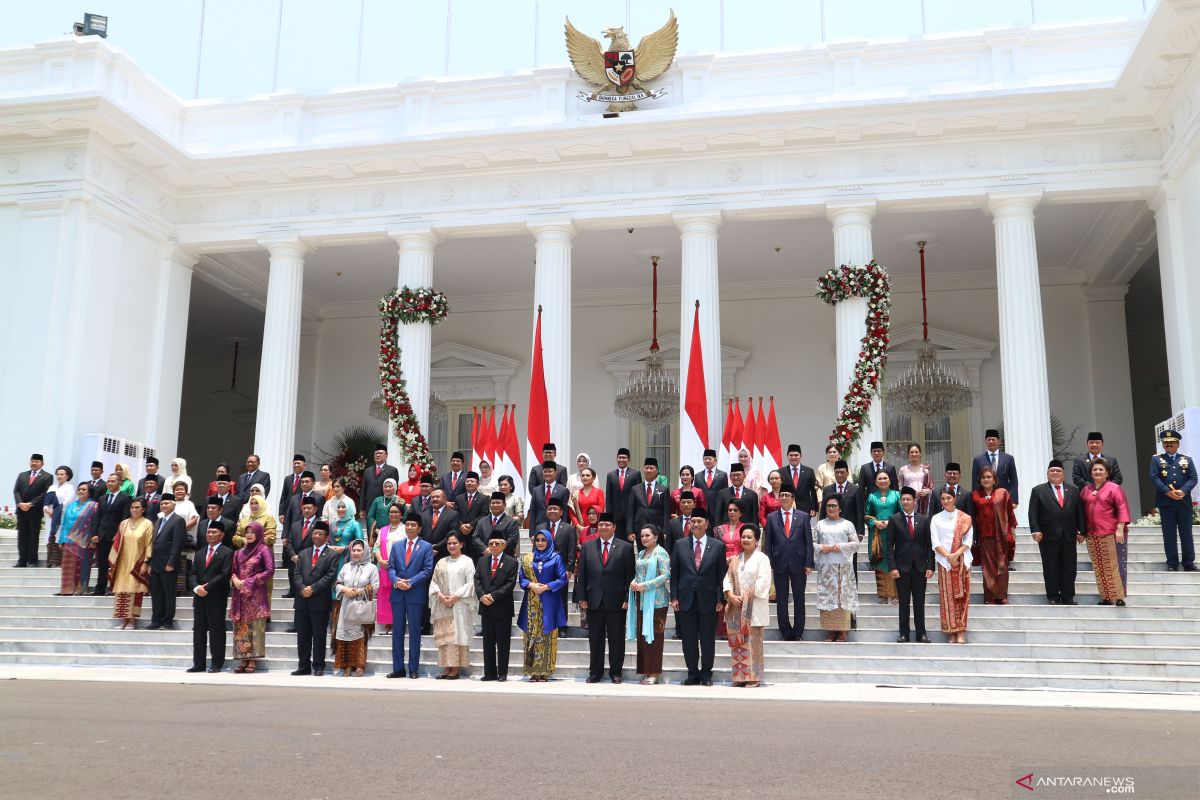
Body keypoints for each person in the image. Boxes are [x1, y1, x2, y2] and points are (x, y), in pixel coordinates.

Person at [575, 512, 635, 683]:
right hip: (593, 600)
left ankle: (616, 672)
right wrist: (582, 597)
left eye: (607, 524)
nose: (603, 527)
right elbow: (583, 574)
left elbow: (630, 576)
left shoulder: (625, 547)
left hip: (617, 602)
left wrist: (626, 598)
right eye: (601, 524)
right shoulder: (587, 546)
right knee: (595, 640)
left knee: (617, 639)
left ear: (614, 527)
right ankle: (595, 672)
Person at [671, 515, 727, 686]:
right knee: (688, 639)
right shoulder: (680, 544)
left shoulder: (717, 546)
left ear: (707, 524)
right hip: (685, 599)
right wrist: (674, 597)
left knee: (708, 639)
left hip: (709, 599)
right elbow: (675, 574)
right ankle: (692, 673)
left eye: (699, 521)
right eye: (693, 521)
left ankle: (706, 675)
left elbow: (721, 575)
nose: (695, 524)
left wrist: (720, 599)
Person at [1027, 460, 1084, 604]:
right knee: (1050, 567)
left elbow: (1079, 512)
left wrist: (1082, 531)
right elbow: (1033, 512)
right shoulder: (1038, 490)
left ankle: (1068, 596)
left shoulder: (1073, 490)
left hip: (1069, 535)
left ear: (1063, 474)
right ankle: (1053, 596)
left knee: (1069, 567)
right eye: (1052, 471)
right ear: (1047, 474)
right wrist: (1035, 530)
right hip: (1048, 535)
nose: (1055, 473)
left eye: (1058, 471)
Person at [386, 512, 434, 679]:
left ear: (419, 528)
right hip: (398, 594)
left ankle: (413, 668)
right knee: (397, 632)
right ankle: (398, 668)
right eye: (407, 525)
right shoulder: (397, 545)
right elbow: (391, 568)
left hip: (415, 595)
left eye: (413, 525)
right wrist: (396, 582)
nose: (410, 528)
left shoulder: (426, 546)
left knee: (415, 632)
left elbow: (427, 570)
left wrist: (410, 582)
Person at [723, 525, 772, 686]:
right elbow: (727, 580)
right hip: (737, 608)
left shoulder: (762, 559)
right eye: (743, 536)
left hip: (754, 608)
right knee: (739, 643)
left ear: (756, 540)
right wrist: (730, 594)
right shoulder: (736, 559)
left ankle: (754, 677)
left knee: (754, 643)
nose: (745, 539)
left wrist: (746, 596)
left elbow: (764, 581)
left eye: (749, 537)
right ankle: (740, 677)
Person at [519, 529, 568, 681]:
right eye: (538, 540)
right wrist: (532, 585)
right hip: (531, 602)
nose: (540, 543)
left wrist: (546, 587)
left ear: (549, 541)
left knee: (547, 635)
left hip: (549, 601)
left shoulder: (556, 558)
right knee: (531, 635)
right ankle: (533, 671)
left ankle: (545, 670)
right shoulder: (528, 559)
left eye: (543, 540)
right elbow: (521, 579)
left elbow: (562, 579)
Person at [1081, 458, 1131, 606]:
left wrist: (1120, 529)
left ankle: (1119, 597)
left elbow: (1122, 508)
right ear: (1091, 473)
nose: (1097, 472)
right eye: (1095, 470)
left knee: (1115, 565)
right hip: (1092, 534)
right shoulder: (1086, 490)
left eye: (1101, 470)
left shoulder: (1114, 488)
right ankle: (1105, 597)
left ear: (1107, 473)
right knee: (1099, 567)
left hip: (1112, 533)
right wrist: (1081, 532)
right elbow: (1081, 512)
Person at [290, 521, 339, 675]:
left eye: (320, 534)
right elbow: (296, 574)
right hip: (302, 600)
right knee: (302, 636)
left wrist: (313, 588)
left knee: (319, 635)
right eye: (315, 533)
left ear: (326, 537)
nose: (316, 536)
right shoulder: (304, 553)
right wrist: (302, 588)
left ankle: (318, 666)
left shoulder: (332, 555)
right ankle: (303, 665)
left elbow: (330, 576)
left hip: (319, 601)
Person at [766, 488, 814, 641]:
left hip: (799, 563)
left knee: (799, 599)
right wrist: (769, 564)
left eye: (787, 495)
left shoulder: (803, 516)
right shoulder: (772, 517)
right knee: (781, 599)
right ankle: (785, 631)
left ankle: (798, 631)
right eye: (782, 495)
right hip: (779, 562)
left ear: (793, 498)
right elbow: (768, 543)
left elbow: (808, 542)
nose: (784, 497)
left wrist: (809, 562)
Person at [887, 487, 934, 643]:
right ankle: (904, 633)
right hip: (902, 568)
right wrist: (892, 567)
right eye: (903, 499)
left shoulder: (924, 519)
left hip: (920, 568)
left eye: (908, 499)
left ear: (915, 501)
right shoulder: (894, 519)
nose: (905, 502)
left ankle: (921, 633)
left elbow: (930, 545)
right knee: (903, 603)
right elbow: (889, 546)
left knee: (919, 602)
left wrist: (930, 566)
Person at [429, 533, 477, 679]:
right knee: (444, 637)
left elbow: (471, 583)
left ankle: (455, 668)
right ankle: (446, 667)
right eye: (449, 543)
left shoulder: (467, 561)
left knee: (456, 636)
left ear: (461, 544)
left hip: (460, 605)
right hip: (443, 605)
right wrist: (441, 596)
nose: (451, 546)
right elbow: (433, 581)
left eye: (454, 543)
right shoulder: (441, 562)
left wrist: (455, 597)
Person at [627, 524, 671, 685]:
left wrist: (645, 585)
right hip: (642, 600)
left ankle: (654, 673)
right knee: (643, 637)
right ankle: (646, 670)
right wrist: (634, 583)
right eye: (642, 536)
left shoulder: (661, 553)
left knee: (655, 637)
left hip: (657, 602)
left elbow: (666, 575)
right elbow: (639, 575)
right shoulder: (641, 553)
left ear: (656, 537)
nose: (644, 538)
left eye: (647, 535)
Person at [1149, 429, 1197, 571]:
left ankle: (1188, 563)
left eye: (1172, 442)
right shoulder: (1157, 459)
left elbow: (1193, 478)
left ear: (1178, 443)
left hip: (1184, 502)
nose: (1169, 444)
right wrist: (1167, 492)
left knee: (1186, 533)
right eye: (1166, 443)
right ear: (1163, 445)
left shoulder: (1186, 459)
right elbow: (1154, 477)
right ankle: (1172, 563)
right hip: (1166, 503)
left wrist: (1183, 491)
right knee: (1169, 534)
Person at [188, 519, 233, 673]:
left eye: (214, 532)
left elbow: (225, 574)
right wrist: (196, 587)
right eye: (208, 532)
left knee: (217, 630)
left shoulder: (227, 552)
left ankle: (216, 663)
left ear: (221, 535)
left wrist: (207, 587)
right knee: (198, 631)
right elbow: (193, 573)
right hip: (199, 597)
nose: (210, 534)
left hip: (216, 597)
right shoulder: (200, 553)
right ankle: (198, 663)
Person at [930, 488, 974, 643]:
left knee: (963, 597)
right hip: (944, 562)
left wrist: (956, 555)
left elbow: (968, 541)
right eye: (942, 498)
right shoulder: (936, 519)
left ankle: (961, 631)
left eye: (948, 497)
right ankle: (951, 631)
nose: (945, 501)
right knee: (947, 598)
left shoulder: (965, 517)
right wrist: (949, 556)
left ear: (954, 499)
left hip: (962, 561)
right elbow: (935, 542)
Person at [228, 519, 272, 672]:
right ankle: (242, 658)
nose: (249, 534)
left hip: (255, 596)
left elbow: (269, 570)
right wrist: (234, 579)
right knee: (241, 627)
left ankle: (252, 660)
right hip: (239, 595)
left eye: (253, 532)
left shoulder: (264, 550)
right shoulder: (239, 552)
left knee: (255, 627)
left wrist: (250, 581)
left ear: (259, 533)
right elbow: (233, 570)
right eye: (247, 532)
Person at [813, 494, 858, 642]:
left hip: (843, 568)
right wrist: (820, 547)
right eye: (828, 506)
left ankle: (843, 631)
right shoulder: (820, 524)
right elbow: (812, 543)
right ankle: (830, 630)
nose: (831, 508)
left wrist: (841, 546)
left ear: (840, 508)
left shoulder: (847, 524)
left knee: (842, 598)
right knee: (828, 598)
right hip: (826, 568)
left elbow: (856, 544)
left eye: (834, 506)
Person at [476, 528, 519, 681]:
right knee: (487, 642)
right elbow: (477, 581)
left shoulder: (511, 562)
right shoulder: (482, 561)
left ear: (503, 545)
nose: (494, 546)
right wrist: (482, 596)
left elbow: (510, 584)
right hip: (486, 607)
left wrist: (493, 596)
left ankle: (502, 673)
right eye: (491, 543)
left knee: (503, 642)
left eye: (497, 543)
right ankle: (489, 672)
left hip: (502, 608)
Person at [971, 467, 1017, 604]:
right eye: (983, 477)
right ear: (980, 480)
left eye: (989, 477)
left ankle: (1002, 596)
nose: (986, 479)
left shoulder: (1003, 493)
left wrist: (1012, 531)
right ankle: (990, 597)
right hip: (985, 535)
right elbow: (975, 512)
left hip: (1002, 534)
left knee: (1002, 565)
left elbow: (1010, 512)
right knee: (988, 567)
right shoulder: (975, 495)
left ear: (995, 479)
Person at [334, 538, 380, 677]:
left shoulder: (371, 568)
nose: (355, 553)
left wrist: (359, 591)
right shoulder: (346, 566)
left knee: (360, 636)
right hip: (346, 605)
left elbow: (375, 586)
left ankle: (359, 665)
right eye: (353, 550)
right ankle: (347, 665)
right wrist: (344, 590)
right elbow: (338, 582)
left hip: (362, 606)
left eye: (359, 550)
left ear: (365, 551)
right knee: (345, 636)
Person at [108, 498, 153, 628]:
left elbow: (149, 545)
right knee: (122, 590)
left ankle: (132, 621)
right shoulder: (124, 524)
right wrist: (113, 561)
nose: (134, 509)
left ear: (143, 509)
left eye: (137, 507)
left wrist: (146, 562)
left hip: (137, 563)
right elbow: (116, 543)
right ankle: (124, 621)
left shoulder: (147, 524)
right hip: (122, 562)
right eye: (132, 507)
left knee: (134, 590)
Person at [146, 495, 186, 630]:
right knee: (156, 593)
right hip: (156, 563)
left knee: (168, 593)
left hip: (168, 564)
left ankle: (168, 620)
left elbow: (177, 543)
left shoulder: (178, 520)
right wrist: (150, 563)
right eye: (162, 503)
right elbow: (154, 543)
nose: (164, 506)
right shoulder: (158, 521)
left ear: (173, 505)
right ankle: (156, 619)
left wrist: (171, 562)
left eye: (167, 503)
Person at [864, 469, 900, 604]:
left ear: (890, 480)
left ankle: (895, 595)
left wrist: (892, 522)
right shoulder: (872, 496)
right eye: (880, 479)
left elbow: (902, 513)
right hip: (877, 535)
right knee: (880, 563)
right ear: (875, 482)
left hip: (894, 534)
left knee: (893, 562)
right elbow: (866, 515)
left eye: (885, 478)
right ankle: (883, 595)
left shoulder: (896, 495)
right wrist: (875, 522)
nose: (883, 481)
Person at [92, 474, 131, 595]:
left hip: (116, 536)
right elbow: (97, 517)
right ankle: (100, 588)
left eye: (113, 481)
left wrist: (119, 534)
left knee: (115, 563)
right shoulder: (102, 498)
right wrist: (95, 533)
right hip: (102, 535)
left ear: (119, 483)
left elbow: (125, 517)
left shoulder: (125, 498)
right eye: (108, 481)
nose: (109, 483)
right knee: (102, 563)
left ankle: (114, 587)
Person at [56, 482, 97, 596]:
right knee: (67, 567)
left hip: (84, 542)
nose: (80, 491)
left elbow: (94, 524)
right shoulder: (71, 506)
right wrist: (61, 540)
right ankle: (66, 590)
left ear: (89, 492)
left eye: (84, 489)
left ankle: (80, 589)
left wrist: (93, 540)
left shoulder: (93, 506)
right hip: (68, 541)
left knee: (82, 566)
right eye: (79, 489)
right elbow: (64, 523)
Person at [12, 453, 52, 568]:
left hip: (35, 511)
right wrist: (20, 503)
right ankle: (22, 560)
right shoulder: (22, 475)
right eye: (32, 461)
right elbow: (16, 491)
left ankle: (32, 560)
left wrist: (30, 504)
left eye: (37, 461)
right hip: (21, 510)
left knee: (33, 536)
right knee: (22, 536)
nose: (34, 463)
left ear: (42, 463)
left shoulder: (47, 476)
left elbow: (45, 493)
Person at [374, 502, 404, 633]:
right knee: (385, 596)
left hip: (399, 568)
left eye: (396, 512)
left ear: (401, 515)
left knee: (396, 596)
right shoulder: (383, 530)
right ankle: (387, 624)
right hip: (384, 566)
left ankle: (396, 624)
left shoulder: (405, 529)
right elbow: (376, 547)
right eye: (391, 512)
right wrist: (380, 560)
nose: (393, 514)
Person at [971, 429, 1019, 503]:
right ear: (985, 442)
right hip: (984, 498)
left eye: (993, 439)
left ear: (999, 441)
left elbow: (1013, 481)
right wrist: (975, 500)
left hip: (1004, 498)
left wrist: (1014, 500)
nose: (991, 442)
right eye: (989, 440)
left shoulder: (1008, 458)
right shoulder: (978, 460)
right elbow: (975, 482)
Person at [43, 466, 75, 569]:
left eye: (62, 474)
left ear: (67, 476)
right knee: (50, 536)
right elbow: (47, 501)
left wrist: (56, 511)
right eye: (58, 474)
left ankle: (57, 561)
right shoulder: (52, 487)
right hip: (50, 516)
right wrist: (46, 509)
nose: (59, 476)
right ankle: (50, 561)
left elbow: (68, 502)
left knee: (58, 537)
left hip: (61, 517)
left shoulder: (69, 487)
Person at [473, 492, 520, 557]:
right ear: (489, 505)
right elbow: (475, 537)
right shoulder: (482, 521)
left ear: (504, 504)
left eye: (498, 503)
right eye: (493, 503)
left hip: (505, 558)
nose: (495, 505)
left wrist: (496, 550)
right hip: (485, 557)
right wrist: (485, 549)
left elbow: (512, 540)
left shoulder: (511, 522)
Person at [361, 444, 400, 523]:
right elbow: (363, 490)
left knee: (384, 532)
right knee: (371, 532)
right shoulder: (367, 471)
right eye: (376, 453)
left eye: (381, 453)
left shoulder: (392, 470)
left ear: (386, 455)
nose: (378, 455)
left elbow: (395, 491)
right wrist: (362, 508)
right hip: (370, 507)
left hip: (385, 507)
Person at [528, 461, 570, 533]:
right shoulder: (536, 490)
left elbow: (565, 512)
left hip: (558, 529)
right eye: (545, 471)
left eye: (550, 471)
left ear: (556, 472)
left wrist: (565, 530)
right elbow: (533, 511)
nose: (547, 474)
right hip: (540, 528)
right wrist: (532, 533)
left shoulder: (563, 490)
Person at [452, 472, 488, 558]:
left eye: (472, 481)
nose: (469, 483)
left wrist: (471, 525)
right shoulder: (458, 498)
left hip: (476, 534)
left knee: (475, 560)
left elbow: (484, 514)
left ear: (478, 484)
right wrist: (461, 525)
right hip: (461, 535)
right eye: (467, 481)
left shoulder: (484, 498)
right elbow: (454, 514)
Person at [605, 448, 638, 539]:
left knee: (629, 541)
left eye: (624, 458)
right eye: (619, 457)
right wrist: (609, 516)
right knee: (616, 540)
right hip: (616, 514)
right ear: (616, 459)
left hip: (630, 514)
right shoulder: (610, 475)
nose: (621, 460)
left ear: (629, 460)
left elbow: (638, 494)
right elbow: (608, 497)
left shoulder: (635, 474)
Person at [780, 445, 819, 515]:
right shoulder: (781, 472)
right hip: (786, 508)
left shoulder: (809, 471)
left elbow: (813, 491)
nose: (793, 457)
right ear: (787, 456)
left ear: (801, 456)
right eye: (791, 455)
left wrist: (814, 507)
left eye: (796, 455)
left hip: (805, 509)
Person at [423, 489, 460, 560]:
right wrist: (427, 547)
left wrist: (437, 547)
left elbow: (452, 534)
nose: (434, 499)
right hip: (425, 553)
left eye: (437, 497)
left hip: (444, 553)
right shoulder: (424, 514)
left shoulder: (453, 514)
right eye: (432, 497)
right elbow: (420, 533)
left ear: (445, 499)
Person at [898, 443, 933, 515]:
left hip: (923, 501)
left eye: (916, 452)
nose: (914, 454)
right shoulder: (903, 469)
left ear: (920, 454)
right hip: (908, 501)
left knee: (922, 522)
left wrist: (927, 491)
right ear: (908, 454)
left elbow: (931, 487)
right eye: (912, 452)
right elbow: (900, 487)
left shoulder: (925, 469)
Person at [366, 477, 401, 546]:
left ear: (395, 487)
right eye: (385, 486)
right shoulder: (377, 500)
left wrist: (395, 530)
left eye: (390, 486)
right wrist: (376, 530)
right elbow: (370, 516)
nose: (387, 488)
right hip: (378, 534)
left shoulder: (399, 501)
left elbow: (404, 517)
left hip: (395, 535)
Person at [696, 449, 728, 526]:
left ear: (715, 460)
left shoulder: (722, 475)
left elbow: (725, 494)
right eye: (705, 459)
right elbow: (696, 495)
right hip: (702, 511)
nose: (707, 461)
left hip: (718, 510)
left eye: (710, 459)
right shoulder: (698, 476)